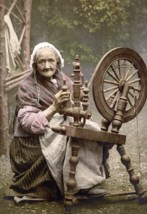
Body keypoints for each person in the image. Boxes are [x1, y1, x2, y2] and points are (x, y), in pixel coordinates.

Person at [6, 42, 110, 204]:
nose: (47, 66)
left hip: (52, 129)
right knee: (68, 137)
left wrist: (79, 105)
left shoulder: (64, 80)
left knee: (90, 130)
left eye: (51, 61)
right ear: (35, 65)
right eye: (42, 62)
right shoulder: (27, 86)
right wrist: (54, 106)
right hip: (29, 143)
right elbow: (29, 124)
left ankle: (86, 180)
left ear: (58, 62)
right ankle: (76, 185)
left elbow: (71, 111)